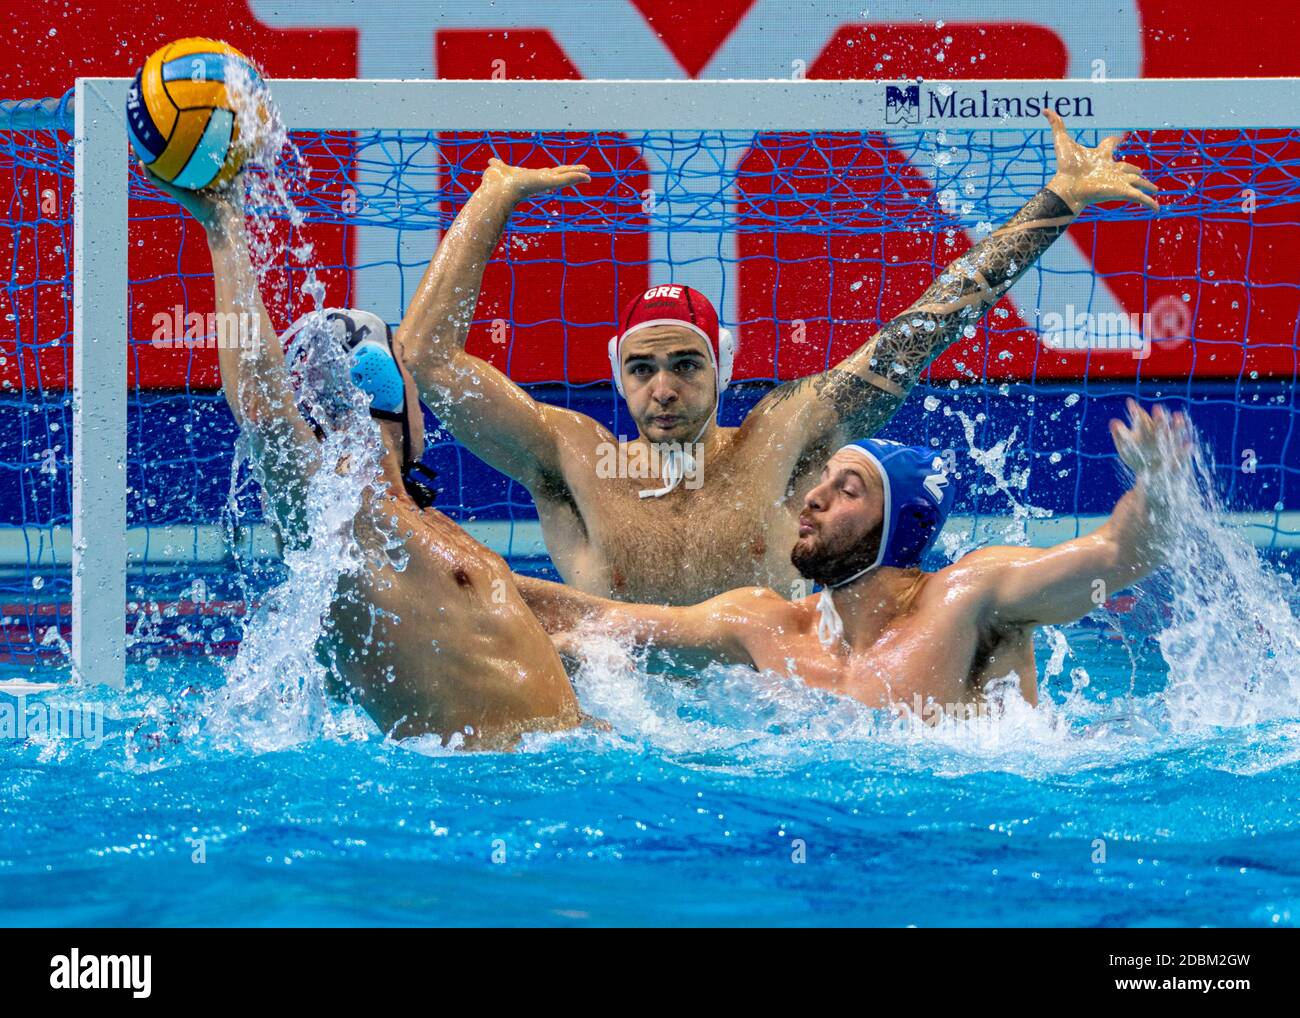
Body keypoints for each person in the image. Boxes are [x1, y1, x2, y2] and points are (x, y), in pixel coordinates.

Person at [393, 111, 1159, 604]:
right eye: (643, 369)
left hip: (772, 727)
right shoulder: (569, 458)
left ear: (720, 369)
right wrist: (492, 199)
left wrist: (1057, 201)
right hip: (624, 736)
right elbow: (423, 358)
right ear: (620, 375)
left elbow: (925, 328)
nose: (664, 389)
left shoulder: (785, 438)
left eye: (686, 366)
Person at [142, 165, 580, 749]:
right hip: (484, 797)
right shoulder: (339, 518)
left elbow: (556, 618)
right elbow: (261, 403)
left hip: (546, 767)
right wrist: (224, 224)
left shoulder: (419, 527)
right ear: (390, 391)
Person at [517, 401, 1190, 715]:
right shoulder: (765, 624)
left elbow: (1121, 552)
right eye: (824, 479)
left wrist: (1157, 484)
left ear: (897, 528)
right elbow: (592, 620)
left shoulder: (969, 600)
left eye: (849, 489)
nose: (812, 498)